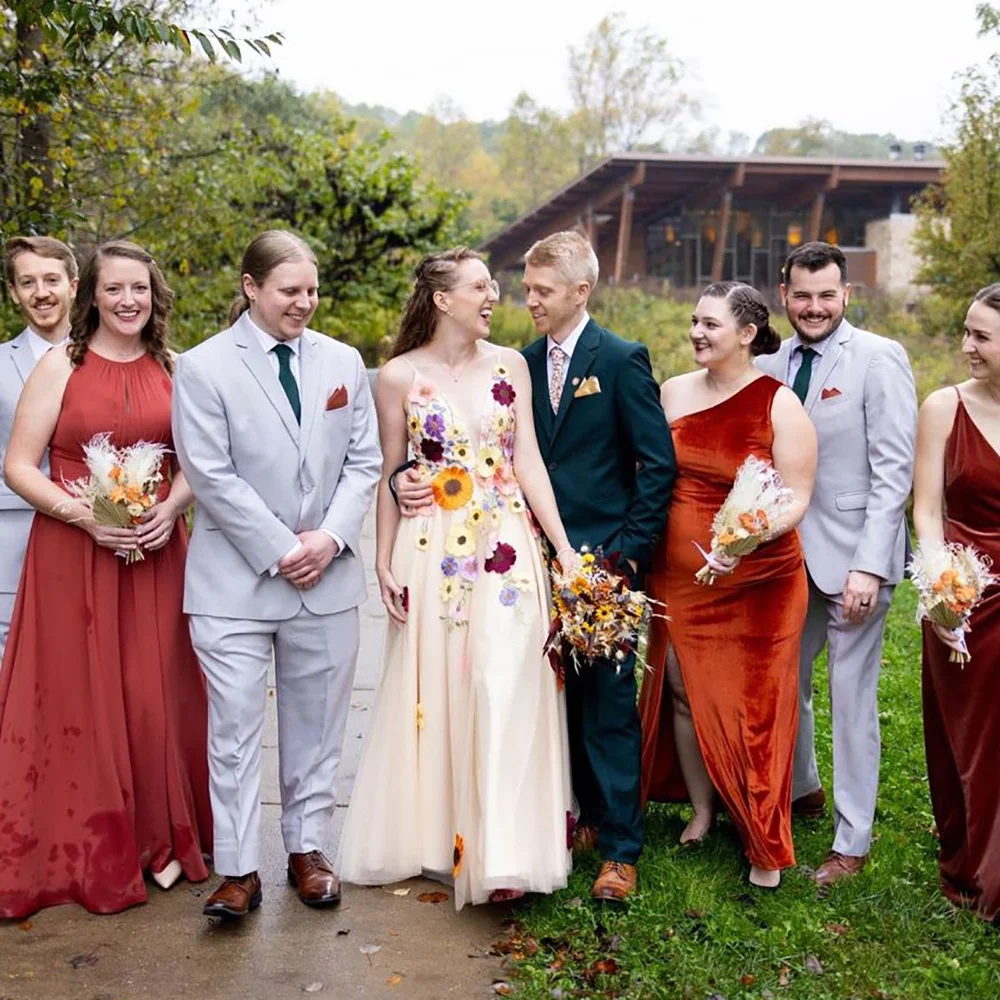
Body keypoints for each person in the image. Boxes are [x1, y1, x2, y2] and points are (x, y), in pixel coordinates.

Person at [395, 231, 676, 902]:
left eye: (542, 291)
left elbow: (656, 466)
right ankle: (563, 822)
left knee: (607, 700)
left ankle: (619, 851)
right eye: (526, 290)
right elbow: (473, 446)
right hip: (517, 558)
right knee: (539, 695)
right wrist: (405, 476)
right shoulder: (513, 364)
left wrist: (624, 560)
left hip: (598, 563)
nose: (528, 301)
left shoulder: (622, 359)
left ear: (582, 290)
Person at [338, 247, 579, 909]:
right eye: (480, 286)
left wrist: (562, 548)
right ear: (443, 299)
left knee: (504, 681)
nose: (494, 296)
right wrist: (384, 561)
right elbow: (391, 470)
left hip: (506, 547)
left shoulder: (512, 366)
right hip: (433, 547)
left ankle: (504, 852)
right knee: (442, 687)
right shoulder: (397, 376)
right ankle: (447, 839)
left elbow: (527, 459)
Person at [172, 230, 381, 920]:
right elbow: (208, 472)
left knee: (318, 724)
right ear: (251, 287)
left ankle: (307, 850)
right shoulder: (203, 368)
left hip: (326, 580)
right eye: (290, 290)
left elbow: (363, 463)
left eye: (311, 290)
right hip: (233, 583)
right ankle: (237, 869)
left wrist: (326, 538)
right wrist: (278, 546)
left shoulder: (344, 361)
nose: (304, 303)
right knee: (231, 729)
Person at [0, 241, 212, 917]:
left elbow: (199, 461)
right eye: (115, 289)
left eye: (140, 289)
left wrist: (171, 508)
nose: (129, 301)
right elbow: (20, 466)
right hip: (75, 554)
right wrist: (85, 516)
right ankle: (84, 844)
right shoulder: (63, 364)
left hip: (158, 551)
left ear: (155, 296)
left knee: (155, 695)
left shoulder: (175, 367)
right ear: (91, 294)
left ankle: (161, 839)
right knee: (78, 697)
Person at [639, 282, 816, 888]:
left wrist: (746, 538)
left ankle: (763, 834)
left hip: (760, 578)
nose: (696, 332)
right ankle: (703, 807)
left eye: (711, 324)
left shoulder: (779, 403)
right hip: (682, 575)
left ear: (746, 334)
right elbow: (652, 473)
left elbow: (796, 498)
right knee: (684, 691)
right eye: (694, 321)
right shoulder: (672, 392)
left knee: (758, 702)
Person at [755, 242, 916, 886]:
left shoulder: (879, 358)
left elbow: (893, 472)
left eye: (827, 295)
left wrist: (870, 566)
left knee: (851, 699)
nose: (814, 307)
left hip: (852, 560)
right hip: (784, 558)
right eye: (802, 295)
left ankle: (852, 840)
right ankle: (801, 790)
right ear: (784, 294)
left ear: (846, 294)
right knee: (782, 682)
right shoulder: (768, 362)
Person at [913, 283, 1000, 921]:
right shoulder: (944, 407)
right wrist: (942, 591)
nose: (966, 346)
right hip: (964, 596)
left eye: (981, 337)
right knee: (968, 741)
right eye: (966, 332)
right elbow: (926, 509)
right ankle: (974, 868)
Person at [0, 236, 78, 659]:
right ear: (13, 293)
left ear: (74, 285)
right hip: (13, 535)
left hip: (95, 535)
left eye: (51, 279)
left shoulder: (105, 360)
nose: (41, 292)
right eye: (27, 283)